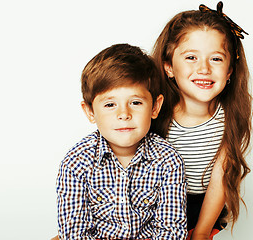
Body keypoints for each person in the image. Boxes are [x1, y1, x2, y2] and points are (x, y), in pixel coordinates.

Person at [55, 43, 187, 239]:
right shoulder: (77, 162)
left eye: (135, 103)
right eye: (110, 104)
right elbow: (75, 232)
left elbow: (171, 231)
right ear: (90, 112)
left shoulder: (168, 160)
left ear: (155, 107)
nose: (123, 114)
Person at [150, 2, 253, 240]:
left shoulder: (228, 118)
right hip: (155, 206)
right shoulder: (156, 113)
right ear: (168, 67)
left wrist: (202, 232)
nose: (204, 68)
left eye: (216, 59)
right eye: (191, 57)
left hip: (202, 209)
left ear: (229, 72)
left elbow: (221, 179)